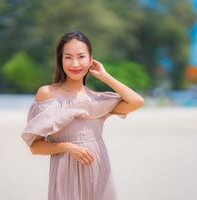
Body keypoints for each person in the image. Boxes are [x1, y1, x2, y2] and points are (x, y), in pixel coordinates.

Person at [21, 31, 144, 200]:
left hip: (99, 176)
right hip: (65, 178)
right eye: (68, 57)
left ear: (91, 59)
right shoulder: (47, 94)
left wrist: (105, 76)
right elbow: (35, 147)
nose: (75, 63)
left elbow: (136, 101)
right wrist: (67, 147)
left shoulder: (97, 100)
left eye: (81, 56)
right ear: (60, 60)